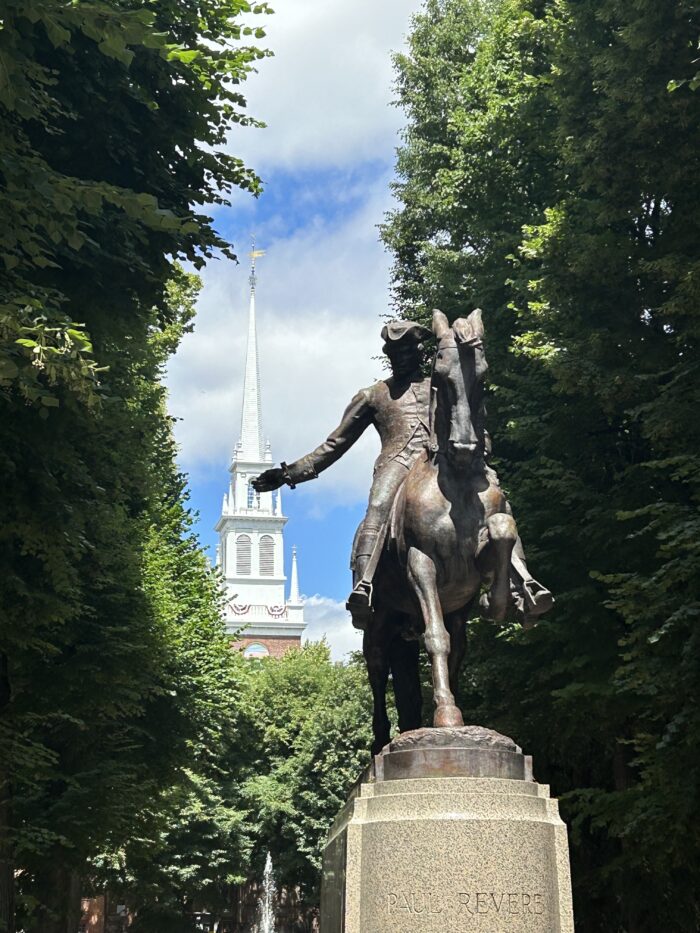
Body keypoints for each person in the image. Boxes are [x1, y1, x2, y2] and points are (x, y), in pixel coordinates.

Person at [252, 320, 552, 628]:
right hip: (398, 462)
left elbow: (467, 411)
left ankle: (521, 587)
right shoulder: (372, 396)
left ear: (420, 353)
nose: (405, 358)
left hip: (443, 460)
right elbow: (335, 444)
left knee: (497, 499)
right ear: (389, 355)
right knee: (378, 509)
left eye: (410, 351)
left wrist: (482, 442)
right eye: (398, 353)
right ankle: (365, 587)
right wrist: (288, 474)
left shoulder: (439, 384)